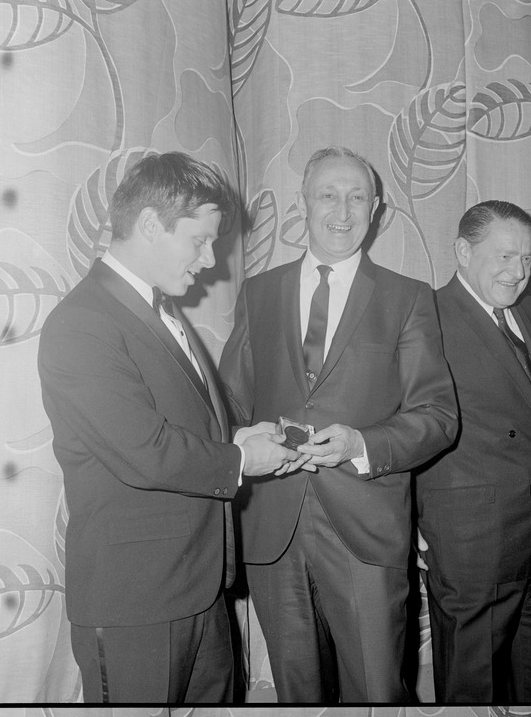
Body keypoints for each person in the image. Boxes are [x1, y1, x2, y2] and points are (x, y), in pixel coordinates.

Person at [38, 151, 305, 703]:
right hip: (135, 602)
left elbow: (169, 422)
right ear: (151, 225)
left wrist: (235, 438)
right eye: (199, 240)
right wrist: (239, 462)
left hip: (198, 589)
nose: (210, 261)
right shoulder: (82, 323)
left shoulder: (159, 310)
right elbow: (140, 448)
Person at [217, 146, 458, 703]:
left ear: (376, 209)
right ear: (304, 203)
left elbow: (439, 416)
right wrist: (241, 441)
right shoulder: (259, 293)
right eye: (328, 195)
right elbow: (230, 400)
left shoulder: (407, 298)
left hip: (365, 524)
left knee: (377, 690)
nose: (342, 211)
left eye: (356, 197)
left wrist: (362, 444)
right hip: (274, 525)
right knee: (298, 694)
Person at [415, 199, 531, 703]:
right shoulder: (424, 317)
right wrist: (408, 521)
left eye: (526, 259)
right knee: (471, 688)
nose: (518, 272)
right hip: (473, 542)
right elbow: (406, 428)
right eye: (503, 257)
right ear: (462, 251)